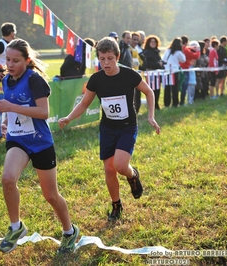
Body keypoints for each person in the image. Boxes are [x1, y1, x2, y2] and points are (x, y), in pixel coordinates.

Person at [58, 37, 160, 221]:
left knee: (120, 165)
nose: (106, 63)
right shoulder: (96, 79)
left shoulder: (129, 75)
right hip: (107, 128)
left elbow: (149, 92)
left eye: (110, 58)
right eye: (102, 58)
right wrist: (68, 117)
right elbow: (84, 103)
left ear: (117, 57)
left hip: (127, 126)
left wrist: (151, 116)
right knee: (109, 169)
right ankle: (116, 205)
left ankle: (132, 175)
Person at [0, 38, 79, 254]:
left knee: (50, 195)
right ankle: (16, 228)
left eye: (15, 60)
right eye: (7, 60)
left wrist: (11, 107)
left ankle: (69, 232)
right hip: (17, 140)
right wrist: (6, 121)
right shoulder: (6, 80)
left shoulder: (35, 80)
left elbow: (44, 113)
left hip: (40, 142)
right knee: (7, 179)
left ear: (27, 60)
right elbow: (12, 108)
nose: (10, 64)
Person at [162, 37, 186, 107]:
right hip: (174, 71)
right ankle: (175, 102)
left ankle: (166, 102)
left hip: (167, 70)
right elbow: (183, 60)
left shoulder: (167, 51)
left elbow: (164, 59)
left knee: (167, 87)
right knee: (175, 87)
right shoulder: (178, 52)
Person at [143, 35, 164, 110]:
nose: (153, 43)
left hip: (158, 74)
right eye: (151, 41)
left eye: (154, 41)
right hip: (150, 74)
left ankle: (156, 104)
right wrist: (158, 64)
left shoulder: (157, 51)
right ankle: (151, 106)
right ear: (148, 42)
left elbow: (160, 61)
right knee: (151, 90)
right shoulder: (147, 52)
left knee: (158, 89)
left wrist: (162, 64)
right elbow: (147, 64)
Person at [179, 35, 200, 106]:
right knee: (185, 86)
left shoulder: (178, 49)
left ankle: (180, 101)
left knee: (179, 87)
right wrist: (198, 50)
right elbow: (196, 56)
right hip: (185, 69)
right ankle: (183, 102)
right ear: (186, 42)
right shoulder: (185, 50)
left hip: (179, 69)